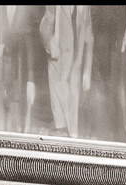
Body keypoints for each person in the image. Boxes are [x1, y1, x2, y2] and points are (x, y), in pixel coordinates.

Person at [0, 5, 39, 134]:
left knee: (13, 126)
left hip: (16, 75)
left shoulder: (25, 9)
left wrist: (30, 81)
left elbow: (29, 44)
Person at [39, 5, 93, 138]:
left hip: (76, 66)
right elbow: (45, 25)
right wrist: (50, 42)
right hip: (58, 65)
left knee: (74, 123)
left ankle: (72, 138)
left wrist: (87, 69)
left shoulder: (85, 8)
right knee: (61, 123)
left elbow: (89, 36)